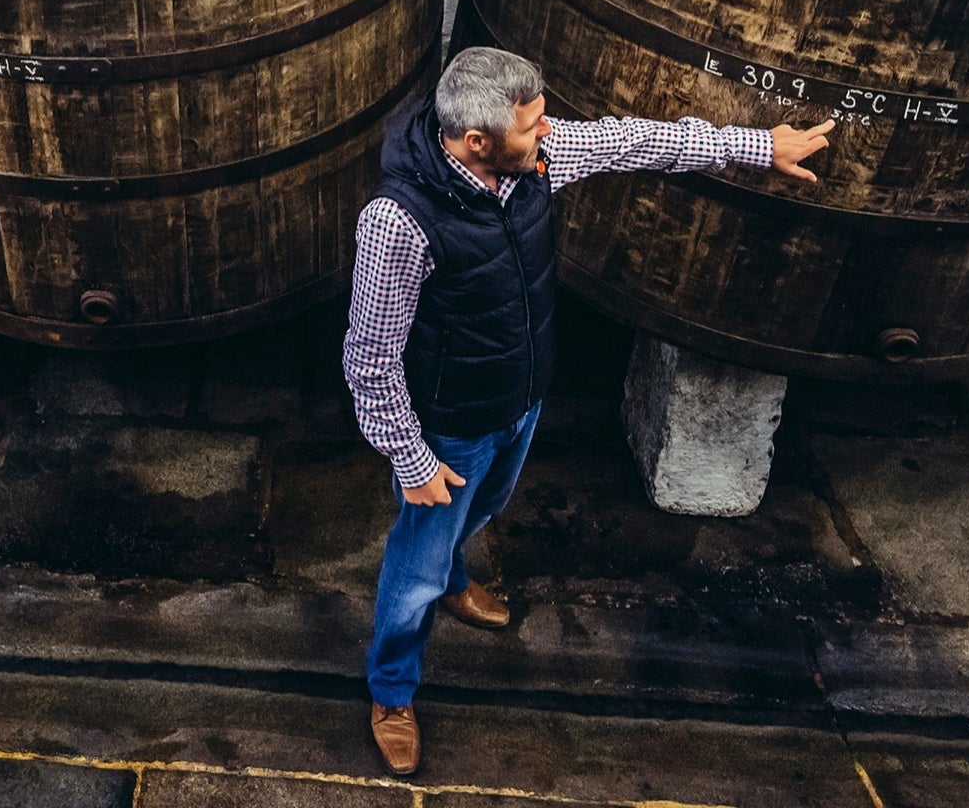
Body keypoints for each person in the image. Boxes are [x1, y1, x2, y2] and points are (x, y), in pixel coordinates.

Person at [345, 45, 834, 777]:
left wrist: (755, 147)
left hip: (520, 397)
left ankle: (453, 575)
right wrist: (411, 460)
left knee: (484, 510)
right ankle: (391, 691)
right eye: (533, 126)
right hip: (451, 427)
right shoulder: (398, 223)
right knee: (412, 567)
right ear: (476, 141)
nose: (551, 131)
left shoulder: (532, 159)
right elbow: (370, 357)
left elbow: (635, 138)